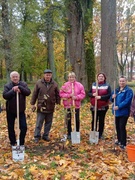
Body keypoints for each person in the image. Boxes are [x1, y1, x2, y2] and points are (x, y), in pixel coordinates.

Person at [30, 69, 60, 143]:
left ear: (51, 75)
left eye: (49, 75)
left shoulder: (54, 84)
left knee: (49, 122)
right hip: (41, 106)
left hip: (51, 106)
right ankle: (37, 136)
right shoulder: (39, 83)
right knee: (39, 122)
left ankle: (45, 135)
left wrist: (58, 104)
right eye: (47, 75)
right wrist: (32, 104)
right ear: (44, 75)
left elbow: (57, 95)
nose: (48, 76)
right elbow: (34, 94)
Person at [3, 71, 31, 146]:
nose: (15, 78)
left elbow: (28, 92)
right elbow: (5, 96)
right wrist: (13, 90)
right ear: (11, 78)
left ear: (19, 77)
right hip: (10, 110)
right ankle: (13, 142)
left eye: (16, 76)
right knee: (11, 127)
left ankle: (21, 143)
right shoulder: (7, 86)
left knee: (24, 127)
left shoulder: (23, 84)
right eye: (13, 77)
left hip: (21, 110)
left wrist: (20, 88)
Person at [59, 72, 85, 139]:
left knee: (76, 119)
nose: (71, 78)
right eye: (70, 77)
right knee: (68, 120)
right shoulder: (65, 85)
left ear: (75, 78)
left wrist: (76, 97)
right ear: (68, 78)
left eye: (73, 77)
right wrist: (69, 95)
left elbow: (83, 94)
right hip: (67, 105)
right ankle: (69, 133)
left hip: (76, 106)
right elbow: (61, 94)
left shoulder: (79, 85)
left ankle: (76, 132)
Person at [110, 75, 133, 150]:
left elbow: (127, 101)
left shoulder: (128, 91)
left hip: (124, 112)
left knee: (122, 126)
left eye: (123, 81)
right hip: (116, 112)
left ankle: (123, 143)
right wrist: (112, 97)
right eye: (120, 81)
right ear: (118, 82)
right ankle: (119, 140)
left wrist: (119, 106)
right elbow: (111, 100)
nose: (122, 82)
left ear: (126, 82)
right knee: (117, 126)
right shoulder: (116, 90)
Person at [88, 72, 111, 139]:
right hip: (94, 106)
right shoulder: (93, 85)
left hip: (103, 106)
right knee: (94, 120)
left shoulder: (107, 85)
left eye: (102, 76)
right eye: (99, 76)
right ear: (97, 77)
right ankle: (93, 132)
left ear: (104, 78)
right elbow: (89, 93)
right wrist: (93, 94)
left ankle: (100, 134)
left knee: (101, 120)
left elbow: (109, 95)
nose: (100, 77)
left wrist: (100, 97)